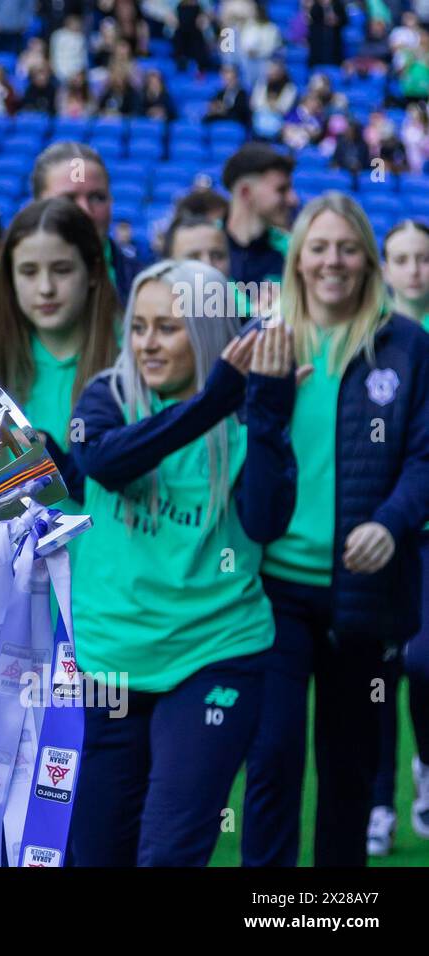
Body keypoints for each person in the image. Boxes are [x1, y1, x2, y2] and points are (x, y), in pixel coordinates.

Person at [70, 259, 298, 865]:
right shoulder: (107, 396)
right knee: (94, 855)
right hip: (110, 659)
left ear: (205, 334)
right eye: (139, 327)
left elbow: (265, 520)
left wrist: (268, 414)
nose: (147, 343)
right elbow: (105, 464)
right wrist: (218, 398)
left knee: (169, 853)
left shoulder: (246, 414)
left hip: (214, 652)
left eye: (168, 328)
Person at [241, 193, 429, 867]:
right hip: (273, 590)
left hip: (364, 593)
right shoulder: (265, 337)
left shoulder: (405, 343)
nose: (333, 261)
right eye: (318, 247)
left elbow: (424, 455)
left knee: (349, 771)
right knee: (272, 759)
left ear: (368, 260)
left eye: (348, 248)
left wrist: (391, 521)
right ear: (297, 259)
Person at [0, 196, 121, 866]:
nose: (45, 288)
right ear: (6, 279)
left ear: (93, 274)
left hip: (95, 623)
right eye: (28, 272)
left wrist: (63, 468)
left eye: (62, 270)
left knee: (83, 813)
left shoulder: (127, 371)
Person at [0, 141, 147, 368]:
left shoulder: (144, 286)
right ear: (37, 204)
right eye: (68, 199)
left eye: (97, 197)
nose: (86, 211)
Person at [366, 219, 429, 854]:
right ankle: (379, 799)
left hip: (425, 531)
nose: (414, 269)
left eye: (423, 258)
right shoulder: (375, 338)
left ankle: (425, 766)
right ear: (386, 266)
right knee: (374, 667)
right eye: (402, 258)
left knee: (422, 661)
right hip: (379, 528)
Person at [221, 143, 298, 286]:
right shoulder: (205, 245)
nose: (293, 199)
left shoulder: (292, 251)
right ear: (246, 192)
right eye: (281, 190)